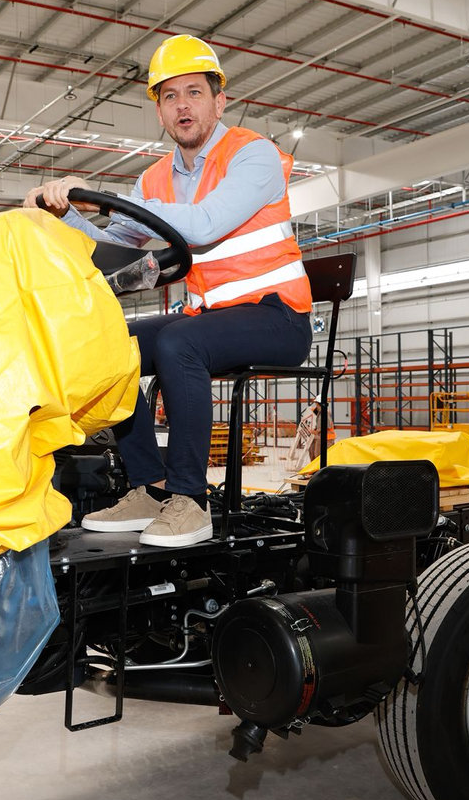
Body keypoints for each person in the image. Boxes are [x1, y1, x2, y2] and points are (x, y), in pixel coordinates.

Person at [22, 34, 312, 548]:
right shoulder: (155, 179)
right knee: (113, 345)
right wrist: (64, 216)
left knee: (180, 343)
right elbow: (113, 249)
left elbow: (203, 224)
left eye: (194, 92)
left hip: (278, 319)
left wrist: (103, 201)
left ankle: (189, 500)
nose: (182, 105)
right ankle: (150, 486)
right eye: (170, 96)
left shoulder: (253, 155)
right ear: (158, 111)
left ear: (219, 101)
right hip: (212, 319)